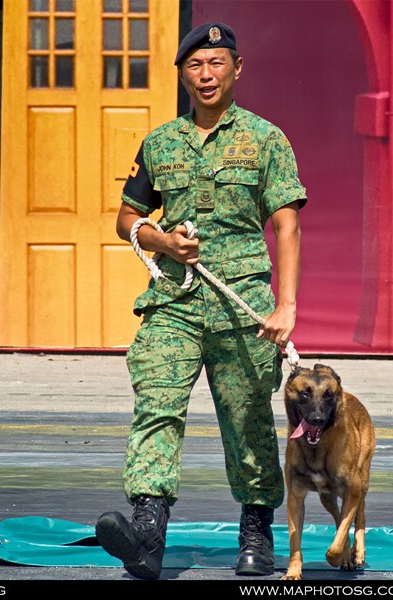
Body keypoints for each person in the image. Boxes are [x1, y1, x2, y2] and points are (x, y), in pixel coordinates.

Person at [95, 22, 306, 579]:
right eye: (195, 65)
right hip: (173, 301)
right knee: (156, 406)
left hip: (243, 307)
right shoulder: (160, 142)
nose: (206, 75)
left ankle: (256, 529)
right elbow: (127, 219)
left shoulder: (266, 139)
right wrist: (161, 239)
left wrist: (286, 306)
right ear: (182, 74)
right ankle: (147, 529)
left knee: (248, 420)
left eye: (217, 64)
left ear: (237, 69)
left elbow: (286, 225)